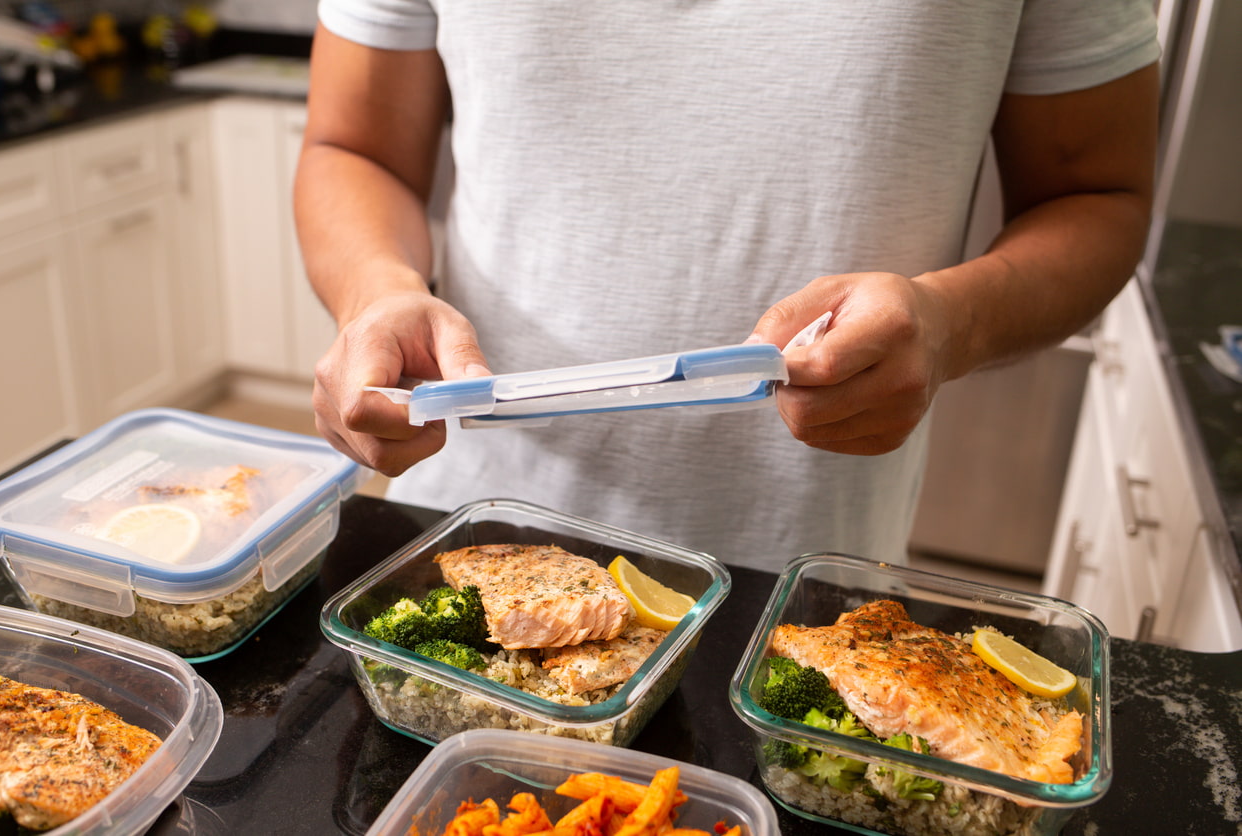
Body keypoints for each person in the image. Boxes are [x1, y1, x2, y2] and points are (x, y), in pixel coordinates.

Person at [295, 2, 1160, 572]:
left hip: (799, 578)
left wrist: (949, 324)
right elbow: (353, 147)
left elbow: (1099, 196)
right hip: (462, 535)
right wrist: (375, 292)